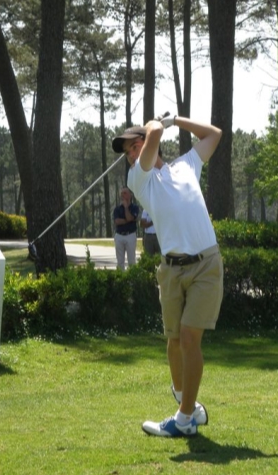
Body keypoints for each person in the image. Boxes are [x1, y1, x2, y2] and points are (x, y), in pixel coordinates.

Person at [112, 114, 222, 437]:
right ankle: (184, 396)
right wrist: (155, 126)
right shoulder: (138, 179)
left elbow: (213, 134)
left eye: (135, 146)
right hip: (171, 270)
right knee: (174, 343)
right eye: (129, 152)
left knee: (189, 339)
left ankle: (185, 418)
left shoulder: (186, 165)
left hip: (205, 265)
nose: (132, 154)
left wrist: (175, 119)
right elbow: (155, 131)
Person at [113, 186, 139, 270]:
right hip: (119, 235)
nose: (123, 195)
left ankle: (132, 280)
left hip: (130, 235)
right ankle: (121, 278)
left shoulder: (135, 208)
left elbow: (130, 218)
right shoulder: (117, 209)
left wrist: (126, 208)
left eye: (125, 193)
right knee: (120, 261)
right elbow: (117, 221)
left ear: (130, 195)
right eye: (121, 193)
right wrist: (128, 220)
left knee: (131, 260)